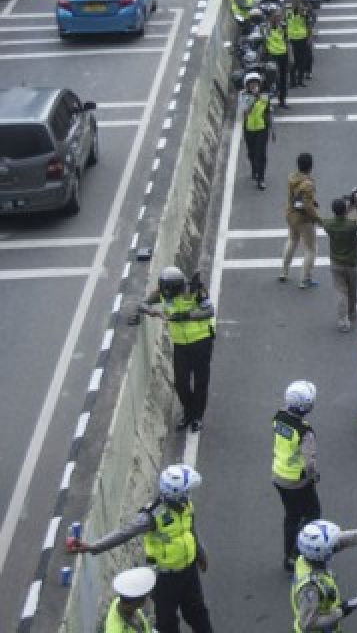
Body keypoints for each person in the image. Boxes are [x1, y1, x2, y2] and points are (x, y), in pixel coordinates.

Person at [67, 466, 214, 633]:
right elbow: (124, 533)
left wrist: (200, 551)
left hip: (189, 572)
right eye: (185, 492)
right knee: (167, 623)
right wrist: (94, 547)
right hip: (165, 579)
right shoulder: (152, 516)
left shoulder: (186, 506)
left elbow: (191, 529)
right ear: (175, 493)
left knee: (198, 613)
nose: (188, 496)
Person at [139, 267, 215, 433]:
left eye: (169, 290)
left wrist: (188, 315)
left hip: (201, 341)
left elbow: (209, 311)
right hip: (180, 344)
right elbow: (143, 303)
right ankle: (188, 411)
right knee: (181, 383)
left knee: (201, 381)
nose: (166, 294)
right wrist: (153, 312)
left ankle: (197, 417)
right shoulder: (164, 292)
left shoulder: (195, 290)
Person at [292, 520, 357, 631]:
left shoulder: (304, 559)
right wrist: (341, 611)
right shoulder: (310, 588)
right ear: (322, 554)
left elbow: (338, 542)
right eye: (331, 548)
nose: (335, 547)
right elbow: (308, 623)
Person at [273, 380, 321, 573]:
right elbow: (310, 462)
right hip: (297, 480)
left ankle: (288, 556)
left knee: (291, 516)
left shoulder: (278, 419)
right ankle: (297, 552)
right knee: (312, 514)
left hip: (278, 476)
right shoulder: (305, 431)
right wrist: (313, 476)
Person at [318, 195, 357, 332]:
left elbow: (336, 218)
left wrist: (349, 207)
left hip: (336, 262)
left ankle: (342, 320)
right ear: (345, 210)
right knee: (352, 289)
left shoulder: (328, 224)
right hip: (352, 262)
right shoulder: (352, 225)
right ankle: (351, 312)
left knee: (341, 291)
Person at [281, 152, 319, 287]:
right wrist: (318, 218)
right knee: (311, 248)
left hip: (291, 214)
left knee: (292, 240)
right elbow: (308, 207)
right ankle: (305, 278)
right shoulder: (308, 184)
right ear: (310, 167)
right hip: (303, 219)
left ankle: (284, 271)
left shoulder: (292, 178)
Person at [240, 72, 272, 190]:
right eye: (252, 85)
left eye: (256, 84)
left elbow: (268, 112)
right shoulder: (244, 97)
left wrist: (272, 129)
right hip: (249, 130)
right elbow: (244, 111)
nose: (254, 87)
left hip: (262, 129)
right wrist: (253, 100)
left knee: (261, 154)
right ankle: (254, 169)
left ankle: (261, 178)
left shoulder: (264, 96)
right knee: (252, 153)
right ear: (247, 86)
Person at [105, 567, 156, 633]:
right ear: (139, 603)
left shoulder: (120, 601)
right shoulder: (116, 630)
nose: (147, 599)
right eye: (145, 597)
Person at [286, 0, 315, 89]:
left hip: (302, 39)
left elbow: (309, 24)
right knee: (292, 61)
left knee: (302, 60)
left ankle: (300, 80)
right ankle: (293, 81)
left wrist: (310, 37)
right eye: (294, 0)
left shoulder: (304, 11)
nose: (296, 3)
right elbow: (283, 23)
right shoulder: (287, 10)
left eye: (297, 1)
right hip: (291, 39)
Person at [265, 10, 290, 109]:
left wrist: (290, 55)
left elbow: (287, 41)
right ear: (271, 17)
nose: (278, 18)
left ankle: (282, 100)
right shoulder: (265, 28)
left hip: (283, 55)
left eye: (279, 16)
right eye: (276, 16)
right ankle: (267, 100)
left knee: (283, 79)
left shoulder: (283, 27)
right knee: (271, 78)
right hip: (271, 56)